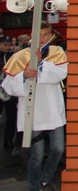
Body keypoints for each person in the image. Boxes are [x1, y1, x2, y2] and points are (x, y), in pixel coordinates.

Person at [2, 21, 68, 190]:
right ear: (32, 35)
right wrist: (23, 75)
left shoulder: (57, 52)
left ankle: (45, 180)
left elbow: (60, 74)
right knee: (37, 155)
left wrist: (41, 64)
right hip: (34, 112)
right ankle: (33, 187)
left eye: (46, 34)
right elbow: (8, 85)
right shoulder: (20, 56)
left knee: (58, 149)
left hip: (53, 110)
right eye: (39, 35)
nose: (43, 38)